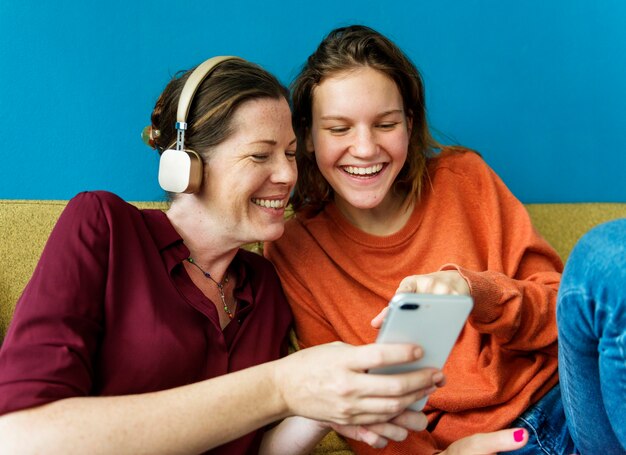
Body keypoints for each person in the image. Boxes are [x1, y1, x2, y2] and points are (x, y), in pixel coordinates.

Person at [0, 56, 447, 454]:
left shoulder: (264, 284)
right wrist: (283, 385)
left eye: (291, 154)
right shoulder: (104, 226)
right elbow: (23, 437)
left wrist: (326, 406)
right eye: (260, 156)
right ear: (186, 164)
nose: (288, 174)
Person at [265, 25, 580, 454]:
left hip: (569, 402)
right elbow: (353, 404)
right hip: (482, 447)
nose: (364, 148)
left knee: (605, 260)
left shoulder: (465, 179)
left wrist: (473, 291)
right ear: (307, 135)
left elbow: (564, 317)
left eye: (386, 124)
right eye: (338, 129)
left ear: (409, 125)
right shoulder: (294, 248)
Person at [556, 219, 626, 453]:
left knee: (605, 255)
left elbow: (552, 297)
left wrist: (481, 293)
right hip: (496, 439)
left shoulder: (466, 187)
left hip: (578, 393)